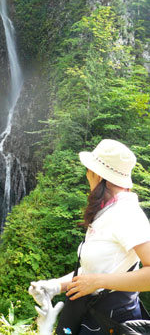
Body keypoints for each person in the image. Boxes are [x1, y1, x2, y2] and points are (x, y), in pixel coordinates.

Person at [29, 139, 150, 335]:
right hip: (93, 316)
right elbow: (93, 271)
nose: (87, 175)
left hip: (112, 320)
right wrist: (55, 286)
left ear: (98, 175)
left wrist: (99, 282)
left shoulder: (127, 214)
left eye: (89, 170)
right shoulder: (107, 211)